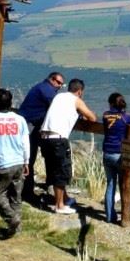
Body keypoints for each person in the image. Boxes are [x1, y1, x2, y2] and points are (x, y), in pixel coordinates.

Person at [40, 78, 97, 214]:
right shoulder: (76, 100)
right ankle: (59, 205)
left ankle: (63, 198)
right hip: (58, 139)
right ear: (79, 91)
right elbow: (92, 118)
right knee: (62, 171)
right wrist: (81, 114)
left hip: (45, 137)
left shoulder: (59, 96)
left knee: (53, 170)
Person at [0, 88, 30, 237]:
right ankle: (17, 227)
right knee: (16, 196)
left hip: (3, 163)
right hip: (18, 162)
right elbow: (25, 142)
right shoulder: (20, 119)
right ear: (11, 102)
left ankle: (12, 219)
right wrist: (26, 161)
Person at [18, 71, 65, 201]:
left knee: (43, 155)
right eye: (58, 82)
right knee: (30, 158)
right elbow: (57, 108)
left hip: (32, 125)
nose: (60, 86)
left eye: (62, 84)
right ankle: (27, 192)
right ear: (52, 79)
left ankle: (31, 189)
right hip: (30, 126)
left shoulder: (42, 87)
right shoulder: (47, 90)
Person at [102, 93, 130, 224]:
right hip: (119, 153)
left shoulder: (105, 115)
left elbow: (106, 128)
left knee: (110, 183)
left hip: (107, 152)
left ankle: (109, 216)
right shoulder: (126, 117)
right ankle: (124, 217)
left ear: (110, 103)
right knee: (123, 184)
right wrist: (127, 141)